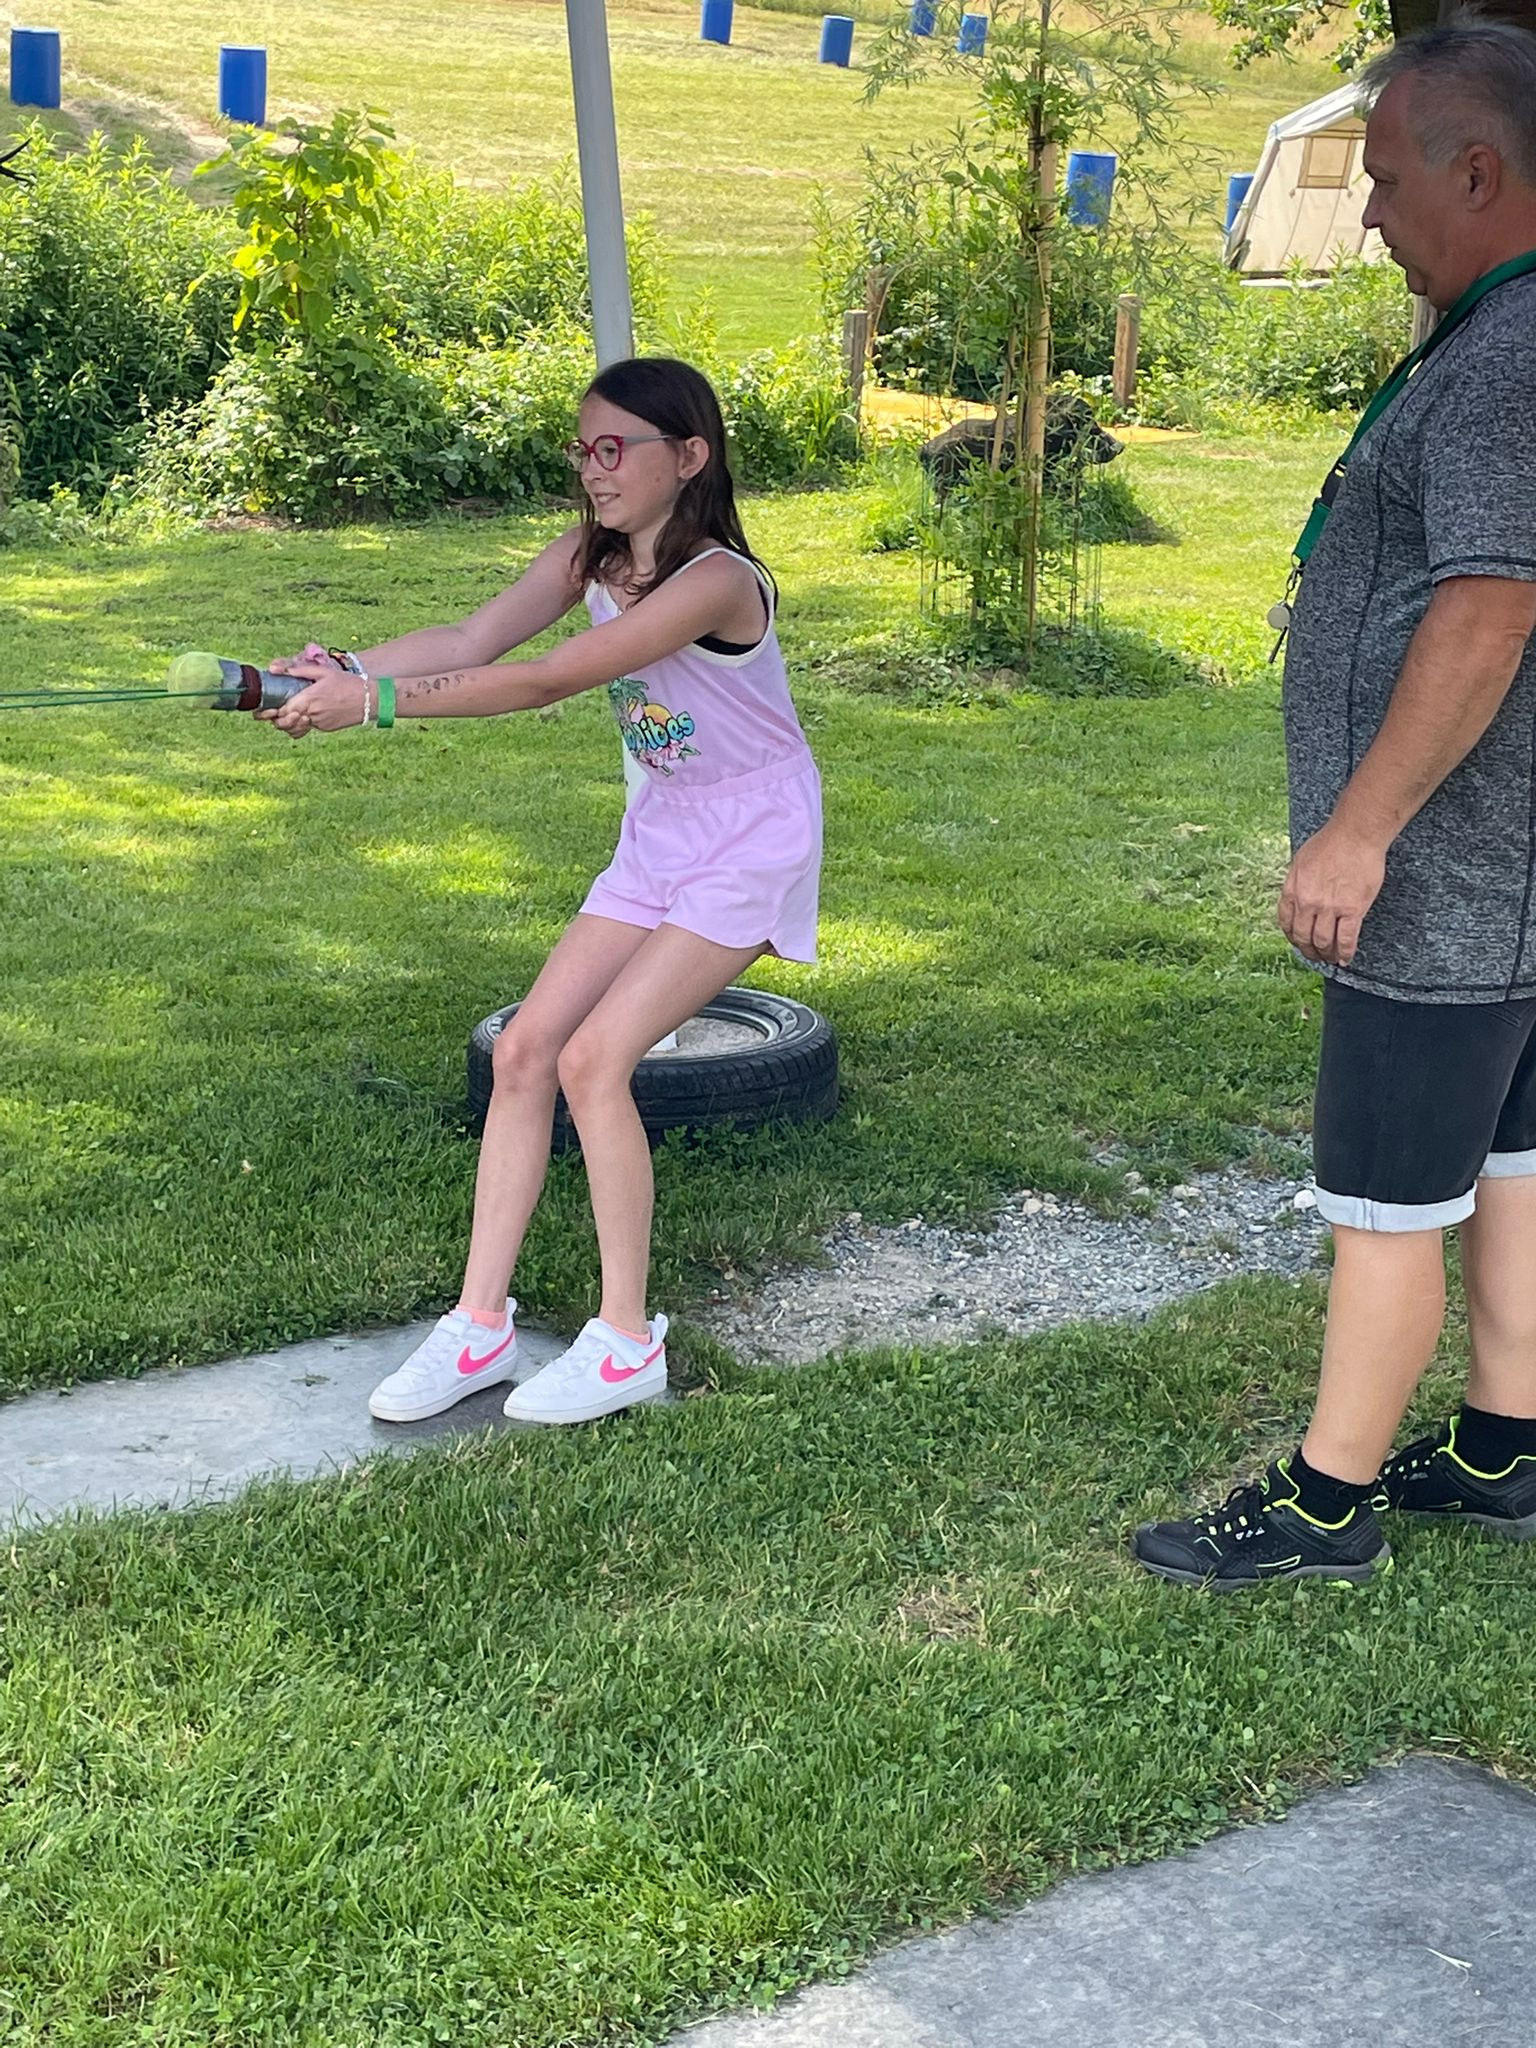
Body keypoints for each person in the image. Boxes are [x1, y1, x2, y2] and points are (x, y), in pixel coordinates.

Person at [1134, 22, 1536, 1588]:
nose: (1369, 212)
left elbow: (1490, 609)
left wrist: (1359, 831)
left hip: (1448, 872)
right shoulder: (1503, 339)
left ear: (1478, 174)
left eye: (1383, 178)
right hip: (1510, 875)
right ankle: (1505, 1446)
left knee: (1387, 1198)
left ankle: (1325, 1504)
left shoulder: (1506, 361)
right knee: (1512, 1166)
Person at [264, 357, 822, 1427]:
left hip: (754, 837)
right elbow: (472, 640)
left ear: (689, 456)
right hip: (665, 828)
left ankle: (626, 1342)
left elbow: (549, 678)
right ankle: (479, 1326)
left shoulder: (718, 581)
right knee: (526, 1051)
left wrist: (375, 706)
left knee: (593, 1059)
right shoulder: (590, 555)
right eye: (583, 447)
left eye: (616, 448)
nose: (593, 469)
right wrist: (339, 668)